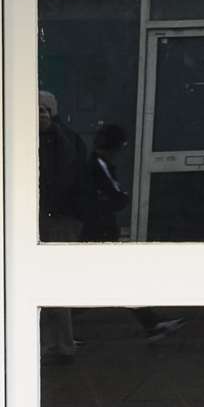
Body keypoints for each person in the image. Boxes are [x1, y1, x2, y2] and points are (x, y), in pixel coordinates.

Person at [82, 124, 183, 342]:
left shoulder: (93, 164)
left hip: (97, 230)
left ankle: (151, 323)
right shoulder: (100, 166)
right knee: (116, 281)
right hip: (102, 231)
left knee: (114, 281)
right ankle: (151, 323)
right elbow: (116, 196)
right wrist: (121, 198)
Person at [37, 91, 93, 364]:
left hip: (57, 218)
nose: (38, 115)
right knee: (48, 282)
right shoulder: (63, 138)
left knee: (51, 282)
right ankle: (56, 342)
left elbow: (59, 180)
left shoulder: (59, 141)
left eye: (43, 110)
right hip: (58, 217)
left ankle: (60, 343)